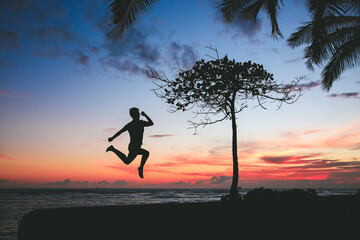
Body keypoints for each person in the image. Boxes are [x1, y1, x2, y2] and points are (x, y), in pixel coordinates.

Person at [106, 107, 153, 178]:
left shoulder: (141, 123)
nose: (138, 115)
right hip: (133, 146)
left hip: (136, 146)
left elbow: (151, 123)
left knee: (127, 161)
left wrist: (145, 115)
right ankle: (140, 168)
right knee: (146, 153)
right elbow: (120, 132)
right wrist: (112, 138)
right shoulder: (130, 125)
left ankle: (112, 149)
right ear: (132, 115)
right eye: (137, 114)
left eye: (138, 114)